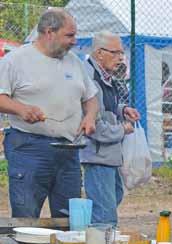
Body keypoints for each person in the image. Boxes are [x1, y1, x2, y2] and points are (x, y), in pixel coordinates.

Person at [0, 8, 98, 218]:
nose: (74, 41)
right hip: (28, 148)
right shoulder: (15, 60)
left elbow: (91, 97)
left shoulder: (74, 61)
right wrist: (22, 109)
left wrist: (89, 117)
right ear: (49, 32)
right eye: (69, 35)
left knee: (69, 220)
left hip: (68, 151)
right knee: (26, 216)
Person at [80, 31, 140, 226]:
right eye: (115, 53)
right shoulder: (90, 79)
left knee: (114, 196)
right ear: (99, 53)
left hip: (109, 155)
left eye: (121, 53)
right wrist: (122, 130)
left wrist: (123, 110)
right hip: (97, 156)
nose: (121, 58)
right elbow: (94, 127)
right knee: (105, 216)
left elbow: (106, 108)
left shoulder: (106, 76)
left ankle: (92, 239)